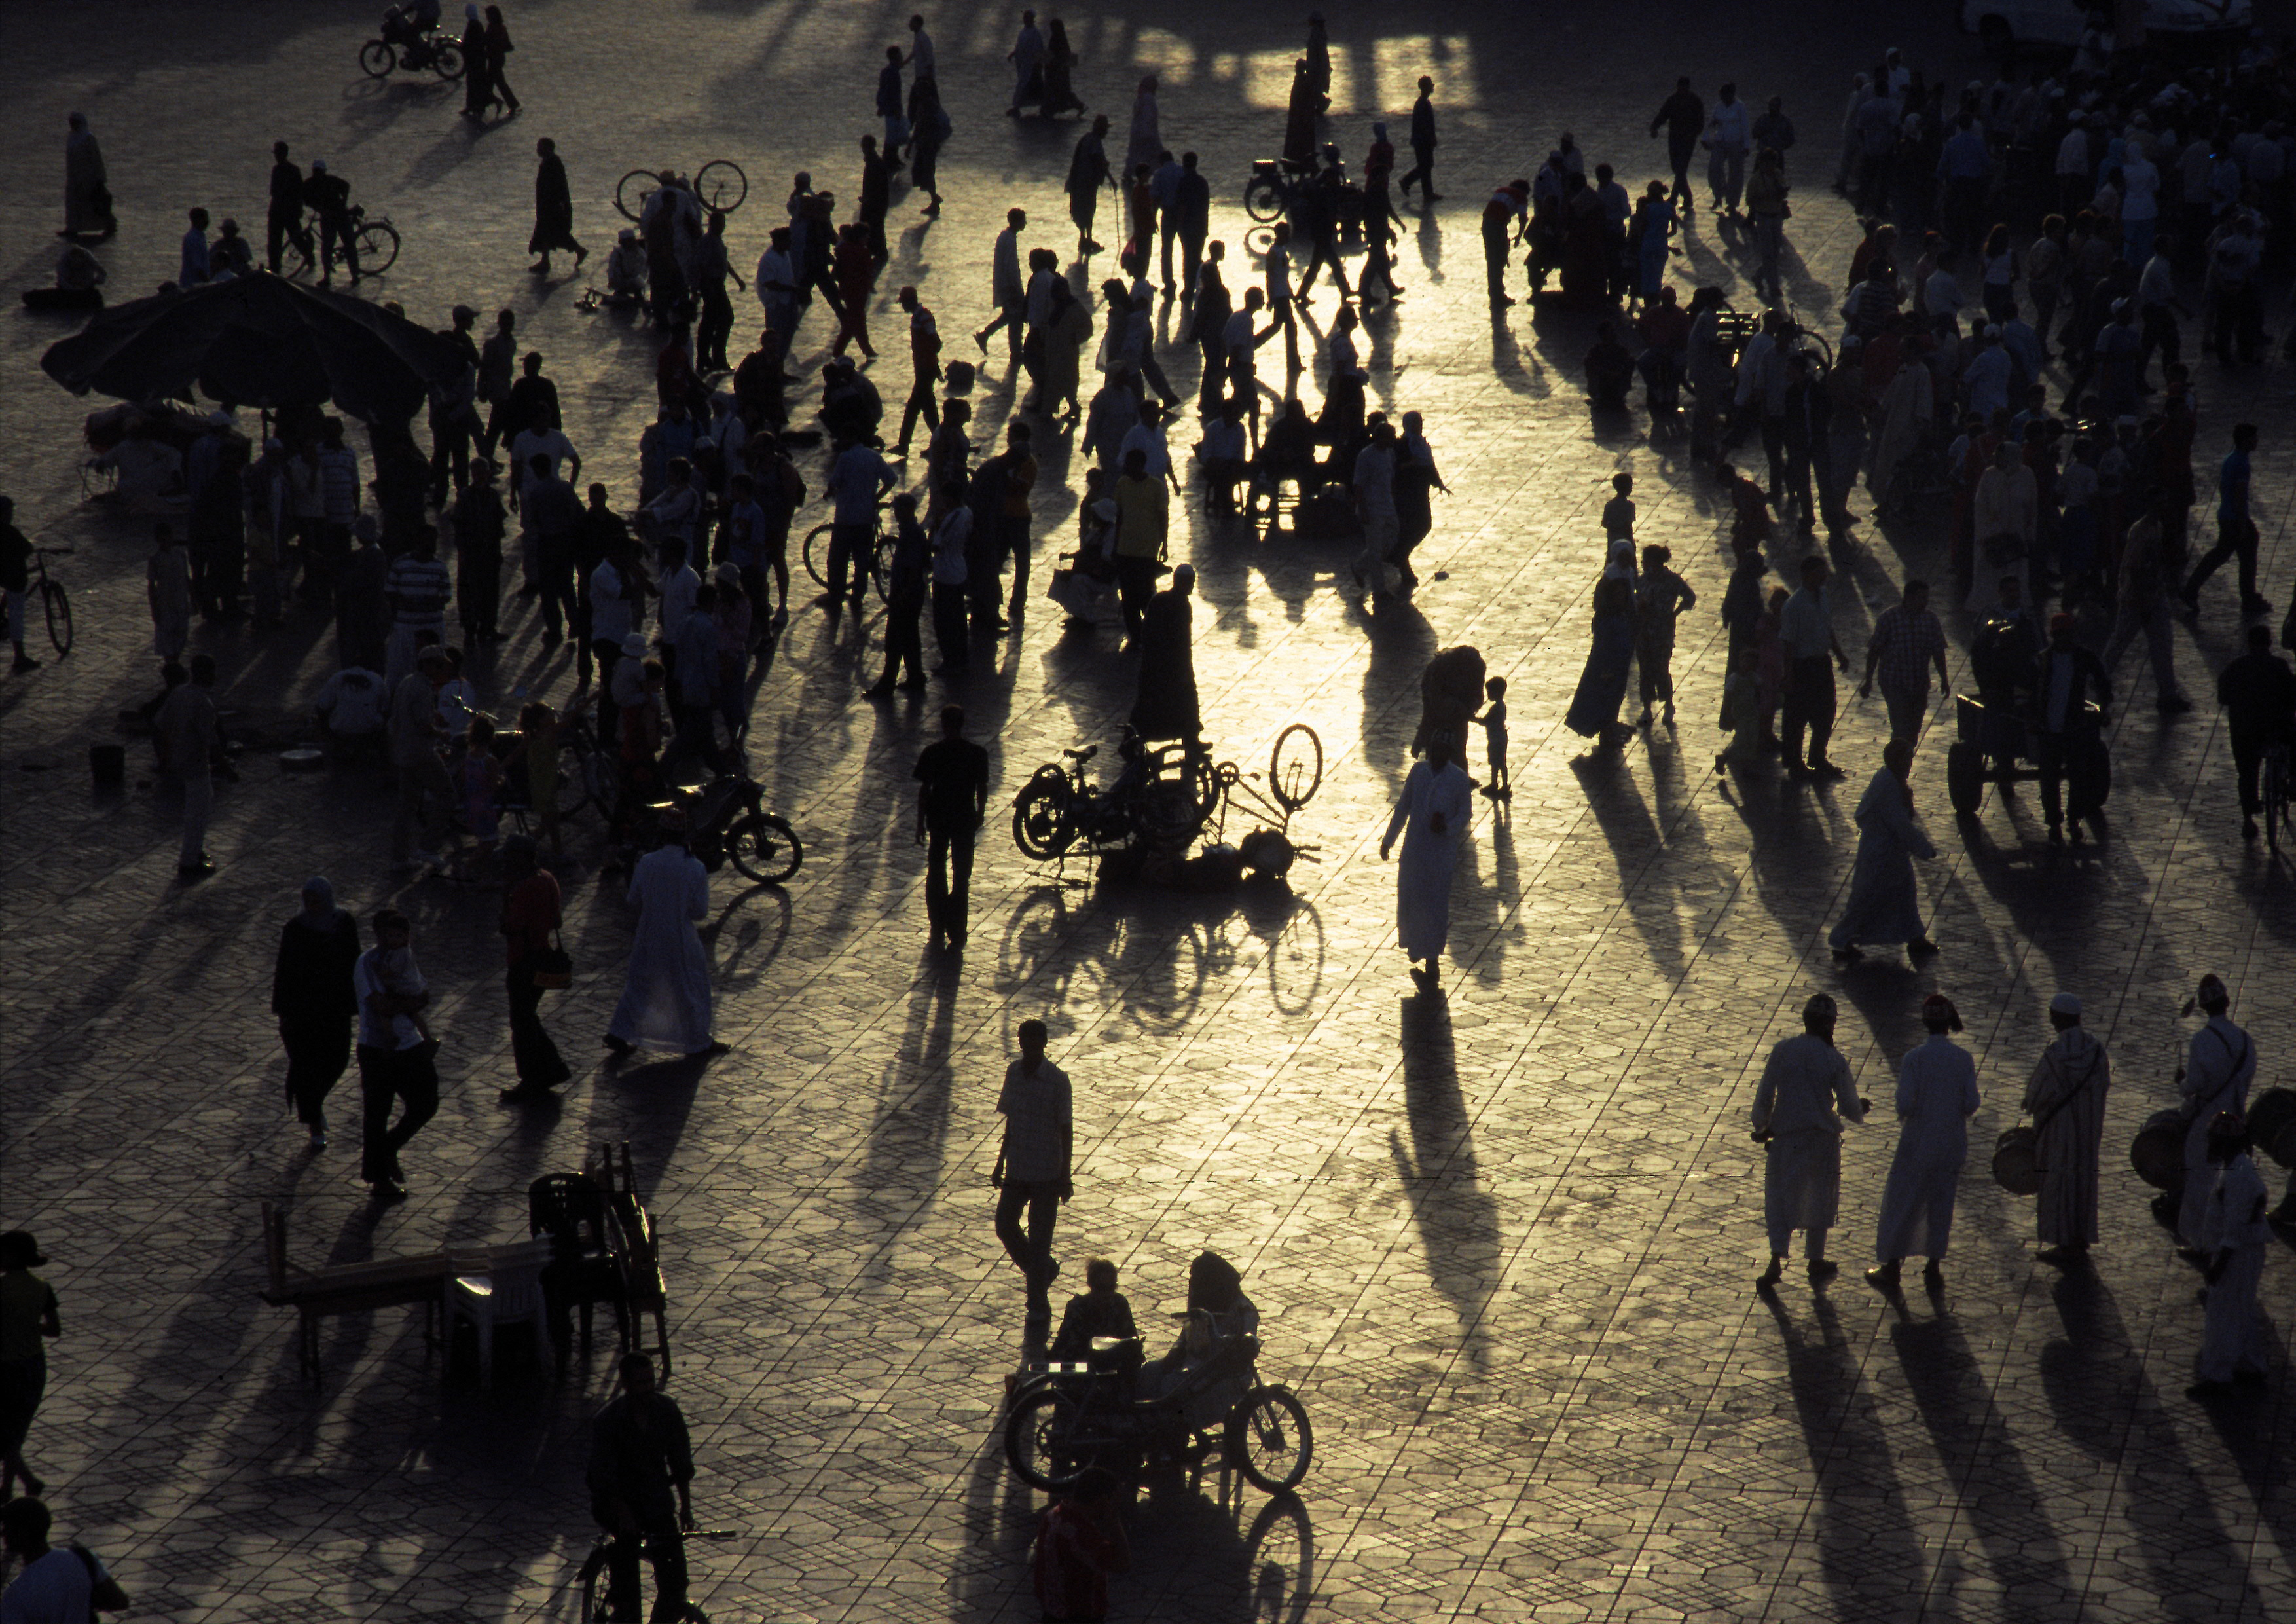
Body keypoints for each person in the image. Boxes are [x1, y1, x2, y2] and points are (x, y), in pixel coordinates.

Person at [1752, 993, 1868, 1289]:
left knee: (1780, 1199)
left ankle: (1776, 1262)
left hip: (1786, 1140)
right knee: (1820, 1198)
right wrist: (1861, 1108)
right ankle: (1815, 1260)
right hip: (1821, 1141)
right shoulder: (1833, 1058)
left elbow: (1765, 1095)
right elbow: (1850, 1107)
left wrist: (1761, 1126)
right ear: (1831, 1024)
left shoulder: (1783, 1051)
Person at [1867, 993, 1981, 1291]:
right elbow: (1971, 1103)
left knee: (1903, 1201)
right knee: (1941, 1202)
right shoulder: (1963, 1058)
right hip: (1952, 1142)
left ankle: (1892, 1267)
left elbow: (1904, 1103)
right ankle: (1933, 1265)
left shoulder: (1914, 1059)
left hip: (1918, 1142)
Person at [586, 1354, 695, 1624]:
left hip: (654, 1500)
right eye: (641, 1383)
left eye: (651, 1381)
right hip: (616, 1504)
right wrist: (624, 1514)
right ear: (625, 1384)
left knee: (675, 1579)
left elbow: (681, 1464)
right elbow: (602, 1478)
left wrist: (686, 1511)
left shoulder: (667, 1411)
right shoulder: (608, 1422)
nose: (648, 1388)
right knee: (627, 1575)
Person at [605, 813, 723, 1061]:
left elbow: (633, 899)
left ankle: (619, 1032)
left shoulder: (647, 862)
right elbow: (699, 912)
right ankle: (698, 1040)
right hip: (681, 937)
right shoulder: (695, 867)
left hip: (649, 934)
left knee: (640, 984)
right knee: (691, 986)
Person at [1379, 729, 1474, 993]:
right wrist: (1389, 839)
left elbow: (1465, 813)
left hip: (1439, 854)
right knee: (1411, 896)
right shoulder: (1418, 772)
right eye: (1433, 751)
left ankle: (1431, 959)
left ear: (1449, 754)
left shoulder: (1458, 779)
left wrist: (1447, 827)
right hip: (1414, 849)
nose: (1435, 756)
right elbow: (1404, 806)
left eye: (1440, 752)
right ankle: (1415, 946)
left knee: (1433, 904)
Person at [1827, 738, 1938, 962]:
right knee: (1865, 898)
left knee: (1905, 896)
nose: (1909, 764)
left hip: (1890, 854)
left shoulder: (1888, 780)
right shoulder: (1888, 786)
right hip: (1880, 856)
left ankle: (1916, 937)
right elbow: (1900, 824)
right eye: (1907, 759)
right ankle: (1841, 941)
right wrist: (1923, 848)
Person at [2022, 991, 2112, 1264]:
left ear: (2057, 1020)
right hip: (2087, 1129)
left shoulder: (2055, 1055)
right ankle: (2082, 1237)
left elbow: (2035, 1097)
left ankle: (2063, 1243)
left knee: (2059, 1184)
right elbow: (2104, 1085)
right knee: (2084, 1182)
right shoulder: (2096, 1050)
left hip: (2059, 1133)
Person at [2188, 1113, 2272, 1398]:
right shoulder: (2235, 1168)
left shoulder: (2239, 1177)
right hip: (2240, 1252)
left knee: (2222, 1314)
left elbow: (2235, 1228)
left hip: (2237, 1254)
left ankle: (2218, 1375)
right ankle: (2251, 1364)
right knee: (2242, 1310)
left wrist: (2218, 1266)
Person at [354, 909, 437, 1202]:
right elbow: (382, 1006)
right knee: (377, 1113)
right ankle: (379, 1177)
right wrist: (408, 1003)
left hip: (410, 1044)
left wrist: (405, 1002)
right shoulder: (367, 964)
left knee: (426, 1102)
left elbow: (423, 995)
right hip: (379, 1049)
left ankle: (387, 1149)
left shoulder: (404, 956)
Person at [994, 1020, 1073, 1319]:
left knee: (1040, 1239)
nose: (1030, 1045)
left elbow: (1066, 1129)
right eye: (1025, 1039)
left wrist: (1065, 1175)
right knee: (1005, 1225)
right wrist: (1000, 1161)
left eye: (1035, 1039)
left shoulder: (1057, 1081)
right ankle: (1042, 1273)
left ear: (1044, 1042)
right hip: (1017, 1166)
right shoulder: (1013, 1073)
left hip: (1046, 1172)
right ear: (1020, 1041)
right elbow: (1011, 1120)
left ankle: (1037, 1301)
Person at [272, 878, 359, 1151]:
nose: (313, 906)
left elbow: (354, 961)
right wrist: (284, 1012)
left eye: (318, 900)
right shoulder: (296, 929)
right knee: (308, 1066)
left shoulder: (343, 923)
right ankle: (314, 1122)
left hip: (335, 1007)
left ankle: (314, 1105)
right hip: (304, 1011)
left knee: (337, 1060)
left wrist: (359, 999)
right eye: (308, 900)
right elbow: (285, 971)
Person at [2176, 974, 2256, 1247]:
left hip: (2209, 1121)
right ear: (2227, 1002)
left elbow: (2196, 1084)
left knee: (2201, 1177)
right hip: (2237, 1119)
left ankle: (2201, 1241)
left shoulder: (2202, 1040)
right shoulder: (2246, 1041)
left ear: (2204, 1007)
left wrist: (2182, 1084)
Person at [500, 834, 571, 1103]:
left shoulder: (522, 889)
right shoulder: (548, 879)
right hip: (543, 954)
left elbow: (509, 927)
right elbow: (558, 921)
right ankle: (550, 1070)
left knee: (522, 1022)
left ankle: (535, 1077)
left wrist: (505, 897)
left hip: (523, 961)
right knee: (527, 1017)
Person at [913, 704, 990, 950]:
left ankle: (937, 921)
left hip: (938, 819)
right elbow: (982, 787)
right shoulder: (977, 753)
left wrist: (919, 823)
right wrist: (980, 813)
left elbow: (924, 791)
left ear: (943, 724)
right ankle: (957, 928)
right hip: (964, 818)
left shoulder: (933, 752)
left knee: (936, 872)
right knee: (961, 876)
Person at [2033, 612, 2113, 846]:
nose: (2063, 638)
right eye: (2059, 634)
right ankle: (2054, 823)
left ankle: (2073, 820)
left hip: (2075, 727)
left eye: (2066, 633)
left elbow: (2103, 685)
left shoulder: (2085, 658)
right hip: (2048, 728)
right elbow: (2032, 690)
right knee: (2049, 779)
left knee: (2077, 778)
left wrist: (2103, 708)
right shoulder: (2043, 659)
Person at [2217, 624, 2296, 840]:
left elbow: (2223, 696)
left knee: (2247, 772)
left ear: (2249, 643)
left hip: (2245, 730)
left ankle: (2248, 821)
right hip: (2277, 728)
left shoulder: (2236, 667)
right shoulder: (2279, 666)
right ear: (2270, 643)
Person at [2183, 423, 2270, 618]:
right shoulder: (2242, 464)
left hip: (2227, 514)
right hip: (2234, 518)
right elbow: (2239, 497)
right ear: (2245, 440)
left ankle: (2247, 596)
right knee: (2235, 555)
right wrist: (2242, 523)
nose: (2257, 441)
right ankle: (2247, 598)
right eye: (2254, 438)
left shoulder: (2232, 459)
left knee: (2226, 554)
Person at [0, 1234, 61, 1505]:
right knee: (16, 1432)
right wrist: (30, 1325)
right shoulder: (42, 1287)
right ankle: (8, 1487)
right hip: (34, 1367)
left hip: (6, 1369)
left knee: (4, 1435)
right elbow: (54, 1329)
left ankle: (28, 1481)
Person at [0, 1498, 128, 1624]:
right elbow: (120, 1602)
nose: (2, 1532)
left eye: (7, 1526)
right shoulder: (81, 1558)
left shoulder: (16, 1594)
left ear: (23, 1532)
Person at [1779, 554, 1848, 779]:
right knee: (1797, 717)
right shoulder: (1794, 605)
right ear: (1807, 575)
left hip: (1821, 662)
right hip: (1802, 666)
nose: (1824, 576)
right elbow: (1788, 642)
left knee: (1826, 713)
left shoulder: (1824, 596)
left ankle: (1817, 756)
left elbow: (1827, 628)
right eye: (1820, 572)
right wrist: (1787, 674)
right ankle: (1794, 762)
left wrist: (1839, 654)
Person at [1032, 1467, 1130, 1624]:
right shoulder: (1081, 1535)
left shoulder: (1053, 1516)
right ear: (1103, 1501)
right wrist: (1114, 1521)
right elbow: (1122, 1562)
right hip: (1077, 1616)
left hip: (1053, 1610)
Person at [1564, 542, 1638, 750]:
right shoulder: (1607, 617)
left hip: (1619, 660)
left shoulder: (1627, 578)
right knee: (1604, 693)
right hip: (1608, 663)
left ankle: (1610, 725)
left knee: (1615, 693)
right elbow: (1604, 647)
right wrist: (1607, 667)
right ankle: (1605, 729)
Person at [1859, 579, 1950, 743]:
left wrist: (1944, 679)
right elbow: (1875, 651)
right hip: (1894, 682)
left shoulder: (1930, 620)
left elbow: (1938, 651)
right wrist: (1868, 680)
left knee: (1914, 730)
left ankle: (1903, 760)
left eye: (1926, 598)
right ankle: (1895, 762)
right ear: (1909, 597)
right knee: (1900, 728)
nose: (1925, 602)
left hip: (1919, 683)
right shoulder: (1889, 618)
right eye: (1922, 598)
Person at [155, 652, 219, 879]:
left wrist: (164, 757)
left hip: (177, 760)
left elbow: (161, 725)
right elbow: (210, 740)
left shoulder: (179, 693)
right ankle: (189, 860)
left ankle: (195, 851)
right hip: (195, 764)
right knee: (197, 813)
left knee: (203, 803)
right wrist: (225, 765)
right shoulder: (203, 703)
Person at [1130, 564, 1200, 747]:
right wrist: (1185, 667)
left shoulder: (1159, 599)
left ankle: (1134, 738)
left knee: (1148, 702)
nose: (1193, 586)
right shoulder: (1182, 606)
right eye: (1191, 582)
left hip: (1154, 664)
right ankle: (1191, 741)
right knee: (1187, 702)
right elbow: (1182, 641)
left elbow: (1147, 631)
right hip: (1173, 666)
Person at [1635, 544, 1696, 727]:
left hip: (1662, 632)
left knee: (1662, 669)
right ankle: (1647, 708)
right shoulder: (1643, 580)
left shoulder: (1672, 580)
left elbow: (1689, 597)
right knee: (1645, 671)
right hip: (1644, 631)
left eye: (1645, 559)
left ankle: (1669, 706)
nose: (1643, 563)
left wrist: (1674, 613)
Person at [528, 137, 585, 276]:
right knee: (549, 233)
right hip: (547, 206)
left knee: (553, 233)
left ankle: (577, 251)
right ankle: (546, 260)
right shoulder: (549, 162)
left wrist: (559, 205)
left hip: (551, 206)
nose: (538, 150)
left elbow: (558, 187)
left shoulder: (553, 164)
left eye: (540, 147)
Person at [1649, 77, 1704, 215]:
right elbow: (1663, 115)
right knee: (1677, 168)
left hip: (1687, 140)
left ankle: (1675, 198)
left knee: (1680, 170)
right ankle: (1687, 196)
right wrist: (1655, 126)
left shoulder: (1695, 101)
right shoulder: (1673, 100)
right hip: (1674, 139)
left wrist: (1693, 134)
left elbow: (1700, 122)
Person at [62, 113, 114, 240]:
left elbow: (96, 159)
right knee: (74, 204)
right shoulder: (72, 137)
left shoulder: (88, 138)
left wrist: (100, 178)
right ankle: (73, 228)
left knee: (93, 203)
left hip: (88, 178)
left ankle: (109, 226)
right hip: (75, 178)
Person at [1066, 116, 1113, 255]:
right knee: (1088, 210)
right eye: (1105, 129)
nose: (1106, 132)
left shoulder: (1086, 139)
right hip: (1086, 183)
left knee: (1081, 210)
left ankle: (1084, 239)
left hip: (1079, 182)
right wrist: (1112, 179)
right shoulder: (1095, 142)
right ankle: (1087, 240)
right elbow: (1099, 161)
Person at [1399, 77, 1440, 202]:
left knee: (1426, 166)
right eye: (1431, 84)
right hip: (1423, 141)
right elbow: (1423, 125)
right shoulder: (1423, 104)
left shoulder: (1423, 103)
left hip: (1421, 141)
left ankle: (1427, 192)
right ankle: (1407, 182)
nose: (1433, 86)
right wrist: (1430, 138)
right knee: (1425, 166)